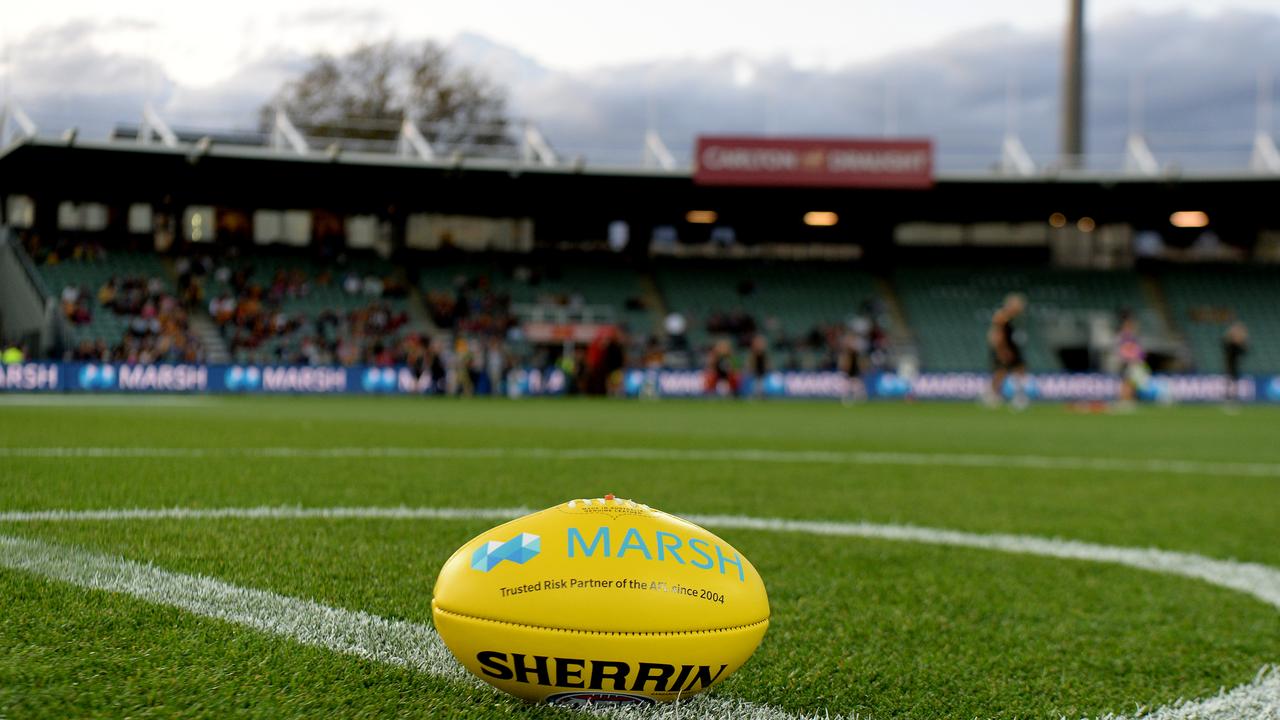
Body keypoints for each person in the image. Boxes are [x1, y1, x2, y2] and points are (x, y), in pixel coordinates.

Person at [986, 293, 1028, 410]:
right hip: (1004, 348)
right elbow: (997, 335)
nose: (1021, 307)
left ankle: (1019, 396)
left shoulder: (1015, 317)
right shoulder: (1002, 317)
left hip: (1012, 347)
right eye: (1018, 305)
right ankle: (992, 396)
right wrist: (1002, 350)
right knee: (1000, 372)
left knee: (1020, 370)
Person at [1114, 312, 1150, 412]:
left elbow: (1138, 350)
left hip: (1134, 362)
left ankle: (1128, 400)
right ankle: (1124, 400)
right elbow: (1124, 350)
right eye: (1129, 324)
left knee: (1131, 382)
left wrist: (1140, 358)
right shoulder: (1124, 336)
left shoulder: (1132, 336)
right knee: (1127, 382)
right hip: (1128, 362)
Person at [1223, 321, 1248, 409]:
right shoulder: (1230, 345)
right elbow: (1225, 342)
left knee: (1233, 384)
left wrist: (1242, 338)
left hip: (1234, 367)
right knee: (1230, 384)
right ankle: (1229, 400)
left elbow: (1245, 351)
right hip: (1230, 366)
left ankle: (1232, 400)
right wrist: (1234, 334)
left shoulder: (1237, 346)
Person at [747, 334, 769, 398]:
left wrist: (767, 367)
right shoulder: (754, 353)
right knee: (757, 384)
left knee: (760, 383)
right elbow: (751, 361)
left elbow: (766, 362)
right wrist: (750, 368)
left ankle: (760, 395)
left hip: (761, 370)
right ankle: (758, 395)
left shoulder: (763, 353)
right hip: (756, 370)